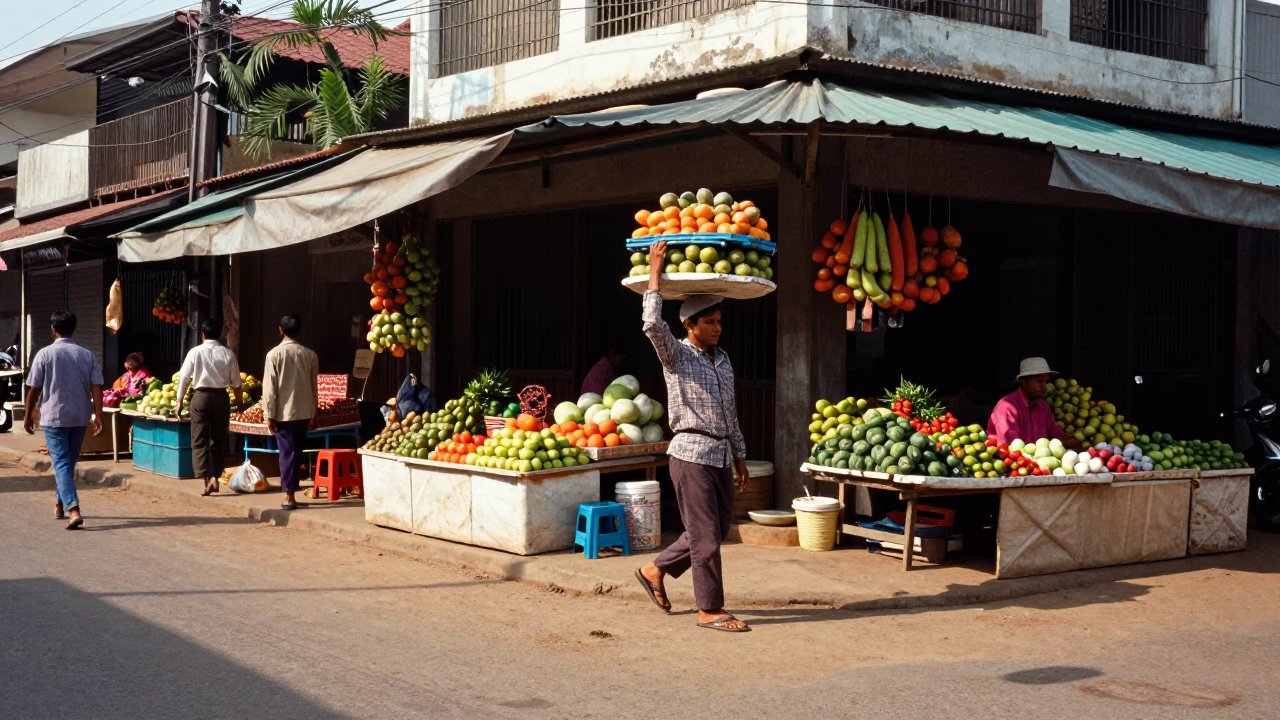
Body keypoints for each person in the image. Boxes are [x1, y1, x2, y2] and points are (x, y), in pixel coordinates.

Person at [634, 239, 751, 633]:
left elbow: (729, 411)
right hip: (690, 454)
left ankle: (654, 569)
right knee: (705, 536)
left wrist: (739, 455)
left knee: (715, 531)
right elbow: (652, 324)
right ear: (690, 325)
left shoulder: (724, 359)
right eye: (709, 323)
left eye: (719, 322)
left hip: (719, 455)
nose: (717, 329)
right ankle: (710, 609)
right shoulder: (677, 356)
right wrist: (655, 270)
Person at [23, 310, 104, 530]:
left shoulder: (44, 354)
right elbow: (97, 386)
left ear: (53, 329)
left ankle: (74, 509)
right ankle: (60, 502)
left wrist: (28, 415)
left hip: (53, 416)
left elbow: (34, 390)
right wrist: (99, 415)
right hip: (79, 416)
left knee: (61, 463)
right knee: (67, 463)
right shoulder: (87, 355)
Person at [176, 318, 244, 496]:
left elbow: (184, 378)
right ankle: (215, 474)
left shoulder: (195, 352)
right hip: (221, 398)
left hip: (200, 397)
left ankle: (208, 477)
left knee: (199, 439)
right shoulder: (228, 354)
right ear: (221, 334)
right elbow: (237, 384)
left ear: (202, 335)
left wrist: (179, 401)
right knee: (218, 439)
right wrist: (240, 405)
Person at [261, 314, 319, 511]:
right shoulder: (310, 355)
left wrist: (268, 414)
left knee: (287, 454)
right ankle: (291, 491)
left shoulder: (273, 355)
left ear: (281, 330)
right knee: (297, 453)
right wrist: (313, 412)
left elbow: (269, 389)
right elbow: (314, 386)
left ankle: (289, 495)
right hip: (303, 412)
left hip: (284, 414)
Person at [988, 357, 1082, 451]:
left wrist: (1068, 439)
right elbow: (1011, 446)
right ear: (1023, 382)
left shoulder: (1043, 406)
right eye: (1039, 381)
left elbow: (1055, 433)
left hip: (1039, 461)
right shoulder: (1007, 407)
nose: (1044, 386)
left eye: (1046, 381)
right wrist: (1062, 442)